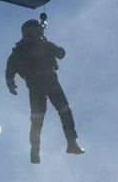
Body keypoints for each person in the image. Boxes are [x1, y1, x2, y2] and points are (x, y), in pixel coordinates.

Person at [6, 19, 85, 163]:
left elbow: (10, 69)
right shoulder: (43, 44)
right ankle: (71, 143)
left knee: (38, 118)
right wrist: (58, 49)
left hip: (37, 85)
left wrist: (10, 83)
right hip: (48, 82)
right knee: (63, 111)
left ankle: (36, 150)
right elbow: (60, 54)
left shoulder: (20, 49)